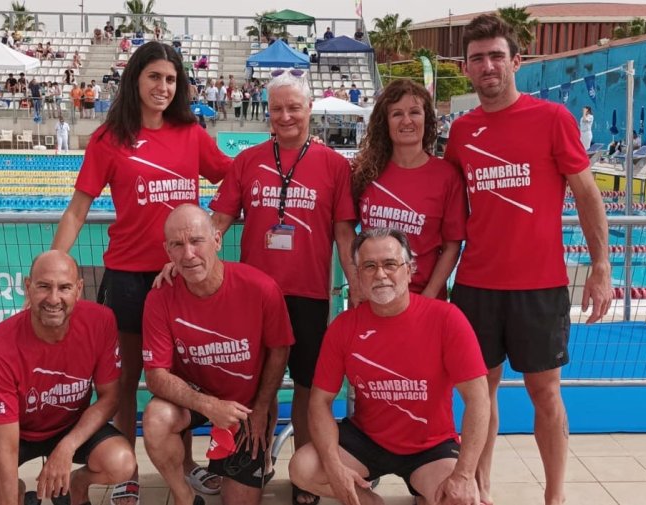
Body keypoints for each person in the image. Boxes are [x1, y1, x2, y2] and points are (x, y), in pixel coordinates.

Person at [51, 41, 231, 501]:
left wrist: (217, 226)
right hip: (131, 277)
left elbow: (233, 178)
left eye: (171, 79)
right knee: (126, 379)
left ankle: (187, 464)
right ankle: (125, 471)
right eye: (154, 77)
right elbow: (77, 209)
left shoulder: (191, 134)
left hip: (183, 277)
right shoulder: (109, 139)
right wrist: (53, 264)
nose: (163, 87)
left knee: (182, 378)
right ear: (135, 79)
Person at [444, 15, 611, 505]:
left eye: (497, 55)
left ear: (516, 61)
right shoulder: (461, 132)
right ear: (466, 70)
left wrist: (601, 267)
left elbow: (587, 196)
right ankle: (482, 488)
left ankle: (555, 496)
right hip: (476, 284)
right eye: (478, 59)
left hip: (539, 286)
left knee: (546, 395)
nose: (488, 65)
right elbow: (451, 207)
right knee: (481, 396)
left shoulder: (553, 119)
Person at [206, 69, 358, 505]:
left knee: (310, 389)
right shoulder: (248, 160)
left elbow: (345, 236)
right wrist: (188, 259)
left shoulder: (333, 166)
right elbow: (218, 222)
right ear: (267, 113)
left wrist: (356, 291)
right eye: (277, 109)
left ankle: (304, 474)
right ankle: (256, 463)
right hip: (254, 297)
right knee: (258, 388)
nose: (286, 116)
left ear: (309, 108)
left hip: (308, 295)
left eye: (294, 107)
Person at [289, 228, 490, 505]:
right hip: (367, 439)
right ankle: (370, 501)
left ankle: (424, 489)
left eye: (390, 264)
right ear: (358, 276)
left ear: (410, 270)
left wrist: (465, 475)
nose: (380, 274)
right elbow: (319, 402)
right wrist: (334, 467)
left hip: (430, 446)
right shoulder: (343, 328)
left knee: (462, 501)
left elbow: (478, 398)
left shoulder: (446, 319)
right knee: (303, 468)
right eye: (369, 266)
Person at [0, 251, 136, 505]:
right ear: (28, 287)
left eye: (64, 287)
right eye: (44, 286)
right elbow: (6, 449)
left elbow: (110, 397)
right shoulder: (0, 346)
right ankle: (18, 493)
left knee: (121, 462)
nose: (54, 298)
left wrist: (67, 447)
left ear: (78, 290)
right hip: (18, 432)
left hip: (71, 425)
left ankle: (75, 488)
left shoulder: (100, 321)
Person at [142, 204, 294, 505]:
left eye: (196, 241)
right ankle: (185, 497)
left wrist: (262, 407)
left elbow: (280, 350)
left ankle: (258, 456)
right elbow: (156, 377)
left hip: (246, 404)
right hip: (198, 396)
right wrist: (209, 406)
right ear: (167, 251)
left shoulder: (260, 288)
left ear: (217, 241)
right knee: (156, 418)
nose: (188, 254)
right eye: (177, 245)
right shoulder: (160, 297)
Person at [353, 79, 467, 300]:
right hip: (373, 299)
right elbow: (346, 231)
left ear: (427, 119)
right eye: (396, 114)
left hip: (422, 298)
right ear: (385, 122)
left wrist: (428, 296)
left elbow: (452, 247)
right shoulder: (365, 173)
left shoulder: (447, 176)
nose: (406, 121)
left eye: (414, 112)